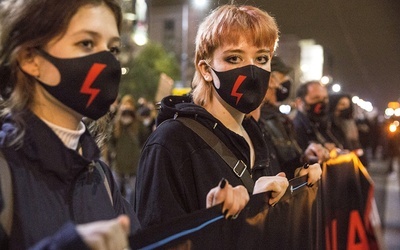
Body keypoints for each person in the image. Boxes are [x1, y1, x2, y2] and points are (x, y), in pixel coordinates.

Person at [0, 0, 247, 249]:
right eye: (86, 43)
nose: (107, 61)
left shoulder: (99, 175)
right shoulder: (5, 173)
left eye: (113, 49)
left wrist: (209, 218)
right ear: (30, 58)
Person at [134, 4, 321, 228]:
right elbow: (161, 238)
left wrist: (297, 183)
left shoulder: (255, 134)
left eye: (261, 59)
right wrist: (228, 214)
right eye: (234, 58)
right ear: (205, 70)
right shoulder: (171, 142)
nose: (252, 71)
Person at [251, 57, 330, 179]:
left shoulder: (278, 117)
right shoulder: (262, 118)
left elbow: (285, 162)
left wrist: (305, 158)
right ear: (271, 80)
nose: (286, 82)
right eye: (283, 77)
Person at [108, 94, 141, 204]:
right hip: (118, 165)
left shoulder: (137, 123)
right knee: (115, 192)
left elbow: (145, 137)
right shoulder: (116, 124)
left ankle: (129, 216)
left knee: (131, 193)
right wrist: (113, 153)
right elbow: (109, 141)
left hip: (133, 165)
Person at [292, 81, 342, 152]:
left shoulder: (327, 124)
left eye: (325, 98)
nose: (322, 103)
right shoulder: (293, 128)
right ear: (299, 102)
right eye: (316, 98)